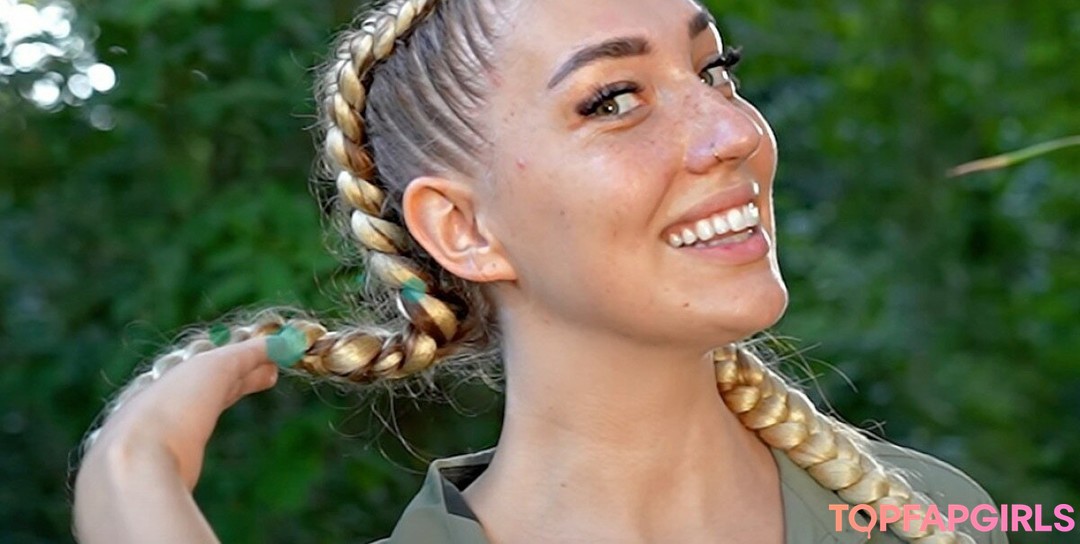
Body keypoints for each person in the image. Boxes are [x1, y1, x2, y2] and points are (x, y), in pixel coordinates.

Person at [72, 0, 1009, 542]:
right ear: (465, 230)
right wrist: (132, 478)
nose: (735, 132)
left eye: (715, 70)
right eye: (613, 100)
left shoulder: (937, 514)